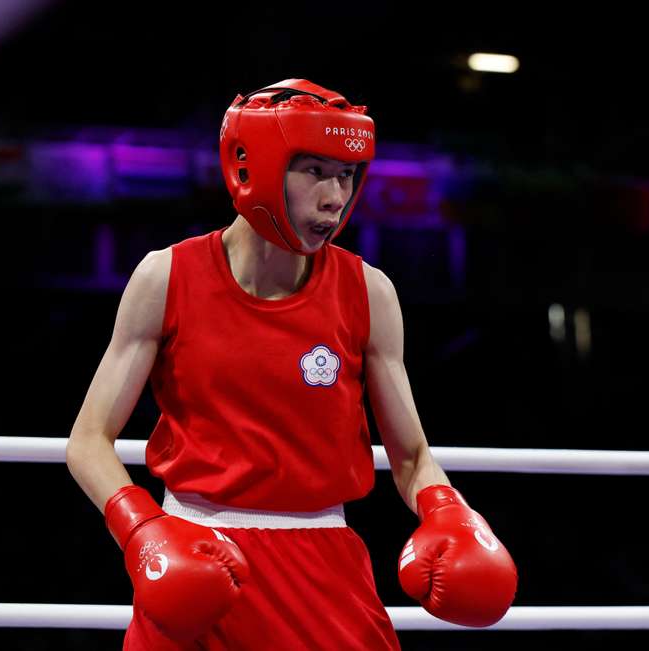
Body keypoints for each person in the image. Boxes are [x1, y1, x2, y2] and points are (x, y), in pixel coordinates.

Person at [66, 79, 517, 650]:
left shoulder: (367, 292)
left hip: (324, 568)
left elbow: (412, 456)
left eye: (347, 176)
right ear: (251, 167)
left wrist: (449, 511)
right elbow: (88, 441)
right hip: (194, 560)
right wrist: (144, 531)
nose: (335, 197)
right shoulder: (166, 277)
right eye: (314, 171)